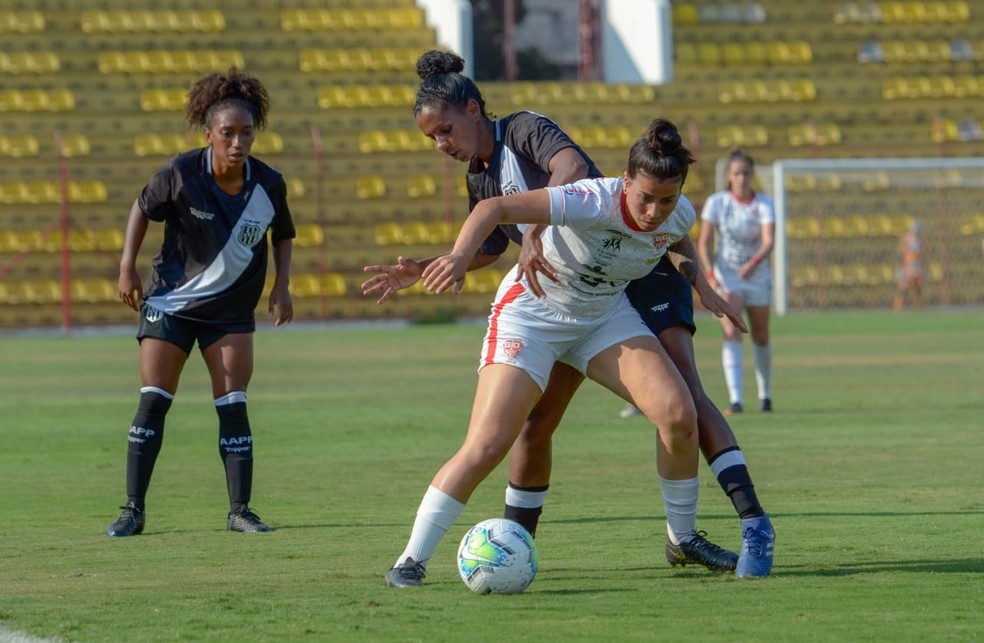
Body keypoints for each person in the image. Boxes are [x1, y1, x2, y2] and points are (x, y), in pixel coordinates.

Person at [365, 51, 774, 580]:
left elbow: (577, 172)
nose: (442, 143)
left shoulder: (525, 131)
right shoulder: (493, 179)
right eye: (433, 137)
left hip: (602, 313)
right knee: (491, 442)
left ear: (472, 110)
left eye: (445, 130)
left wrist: (703, 286)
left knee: (678, 413)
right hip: (533, 313)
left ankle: (682, 538)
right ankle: (411, 560)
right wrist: (428, 266)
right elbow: (490, 228)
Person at [105, 67, 296, 537]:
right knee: (153, 401)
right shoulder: (181, 172)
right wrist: (127, 266)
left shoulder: (268, 183)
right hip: (170, 303)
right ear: (209, 133)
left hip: (230, 313)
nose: (238, 142)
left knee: (233, 404)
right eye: (227, 133)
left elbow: (283, 234)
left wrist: (282, 286)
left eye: (246, 132)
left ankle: (240, 512)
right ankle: (132, 510)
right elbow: (141, 209)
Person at [698, 149, 775, 416]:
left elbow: (769, 241)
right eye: (737, 173)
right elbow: (704, 242)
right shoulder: (717, 203)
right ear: (729, 177)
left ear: (752, 176)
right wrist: (710, 274)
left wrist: (754, 263)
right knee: (731, 332)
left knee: (761, 335)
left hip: (757, 276)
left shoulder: (764, 204)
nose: (742, 178)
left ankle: (765, 396)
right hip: (728, 277)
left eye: (746, 173)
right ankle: (736, 400)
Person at [893, 219, 925, 311]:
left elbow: (923, 254)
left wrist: (923, 266)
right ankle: (899, 304)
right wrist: (901, 266)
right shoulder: (906, 239)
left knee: (918, 287)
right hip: (908, 266)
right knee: (904, 286)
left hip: (918, 266)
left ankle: (917, 305)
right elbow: (901, 253)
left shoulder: (921, 240)